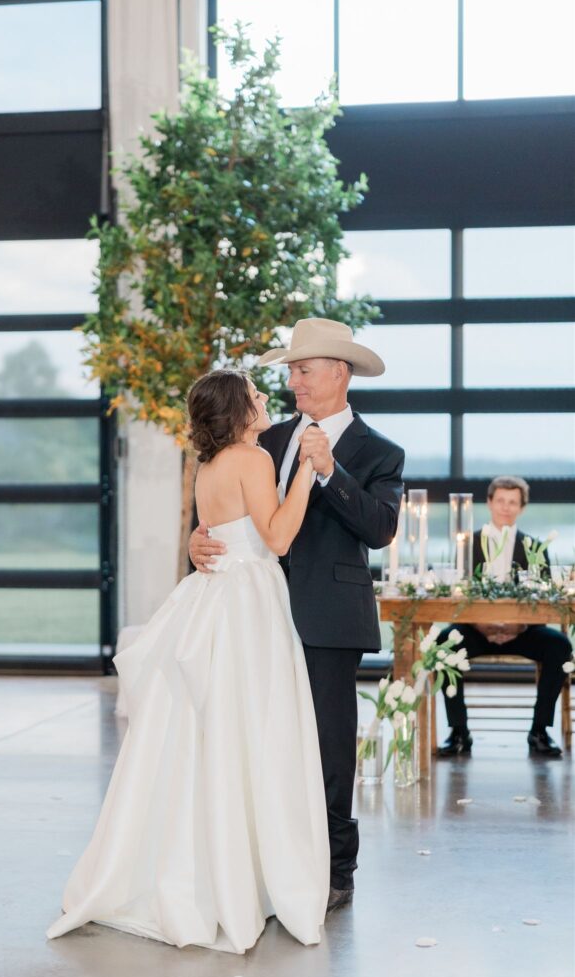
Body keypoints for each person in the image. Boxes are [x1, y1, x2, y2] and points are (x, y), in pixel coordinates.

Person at [47, 369, 331, 954]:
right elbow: (276, 539)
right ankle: (246, 875)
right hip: (248, 603)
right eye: (254, 394)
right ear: (239, 410)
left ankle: (210, 870)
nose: (263, 399)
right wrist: (306, 470)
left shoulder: (206, 465)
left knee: (207, 734)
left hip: (216, 598)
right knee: (254, 730)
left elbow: (218, 529)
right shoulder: (251, 459)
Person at [190, 317, 404, 912]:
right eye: (288, 372)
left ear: (339, 373)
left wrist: (330, 471)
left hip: (328, 616)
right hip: (252, 614)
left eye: (303, 370)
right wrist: (197, 543)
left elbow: (381, 528)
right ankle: (268, 859)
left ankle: (338, 867)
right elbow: (225, 513)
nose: (292, 383)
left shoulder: (381, 451)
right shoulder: (261, 439)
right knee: (260, 741)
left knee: (329, 743)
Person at [436, 475, 570, 759]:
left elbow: (544, 600)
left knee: (560, 646)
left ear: (522, 507)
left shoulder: (535, 547)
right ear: (489, 503)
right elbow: (456, 595)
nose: (506, 508)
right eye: (501, 501)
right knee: (444, 643)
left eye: (513, 502)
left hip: (521, 631)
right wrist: (480, 623)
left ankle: (539, 731)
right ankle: (459, 731)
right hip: (476, 630)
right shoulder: (467, 543)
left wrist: (518, 625)